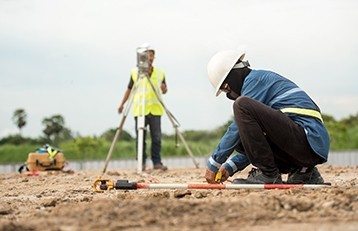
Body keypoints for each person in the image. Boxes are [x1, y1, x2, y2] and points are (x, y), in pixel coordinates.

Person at [205, 50, 330, 184]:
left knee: (241, 106)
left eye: (226, 88)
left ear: (232, 76)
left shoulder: (255, 80)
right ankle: (304, 172)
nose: (229, 94)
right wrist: (230, 167)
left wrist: (214, 163)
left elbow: (235, 130)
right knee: (243, 133)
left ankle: (269, 175)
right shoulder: (260, 82)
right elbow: (255, 140)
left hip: (307, 141)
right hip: (304, 146)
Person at [118, 44, 168, 171]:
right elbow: (129, 89)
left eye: (151, 55)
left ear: (154, 57)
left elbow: (164, 89)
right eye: (146, 55)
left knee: (156, 138)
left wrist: (164, 89)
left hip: (155, 109)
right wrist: (122, 104)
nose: (149, 58)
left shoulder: (160, 72)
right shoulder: (135, 72)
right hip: (140, 110)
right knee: (140, 138)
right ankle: (141, 162)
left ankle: (157, 162)